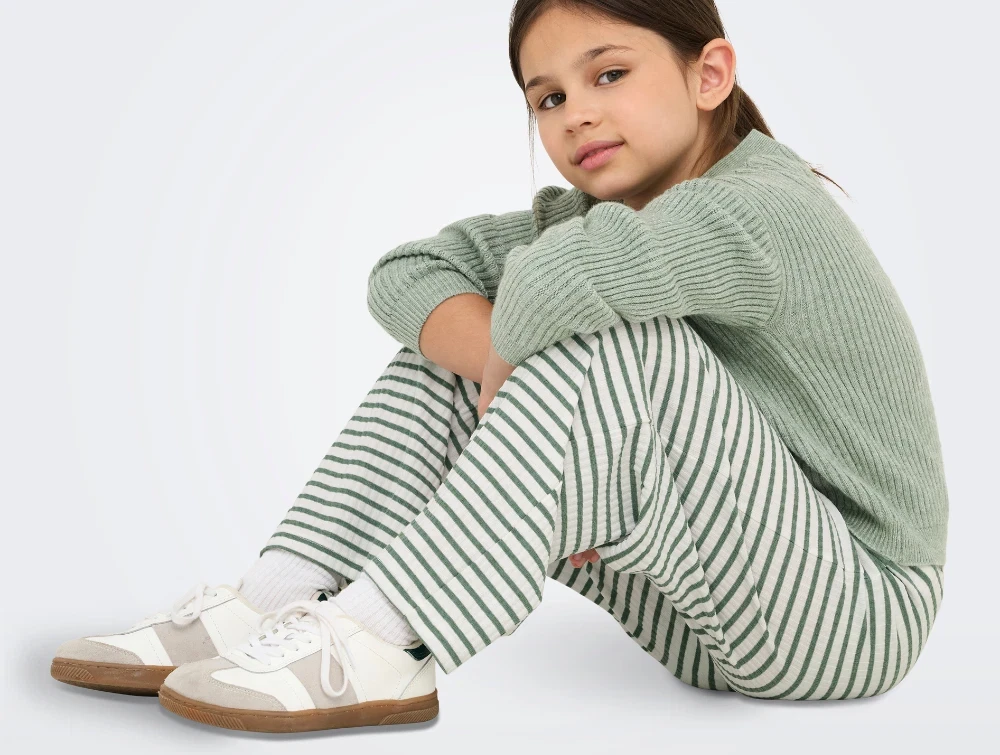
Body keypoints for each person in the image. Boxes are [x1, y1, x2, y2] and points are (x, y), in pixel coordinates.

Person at [50, 0, 948, 733]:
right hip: (701, 613)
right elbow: (408, 272)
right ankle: (277, 597)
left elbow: (557, 283)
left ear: (709, 75)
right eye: (547, 97)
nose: (576, 113)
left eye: (608, 74)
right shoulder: (597, 219)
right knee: (458, 339)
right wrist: (494, 362)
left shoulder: (763, 208)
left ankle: (388, 637)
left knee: (610, 337)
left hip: (855, 613)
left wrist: (524, 359)